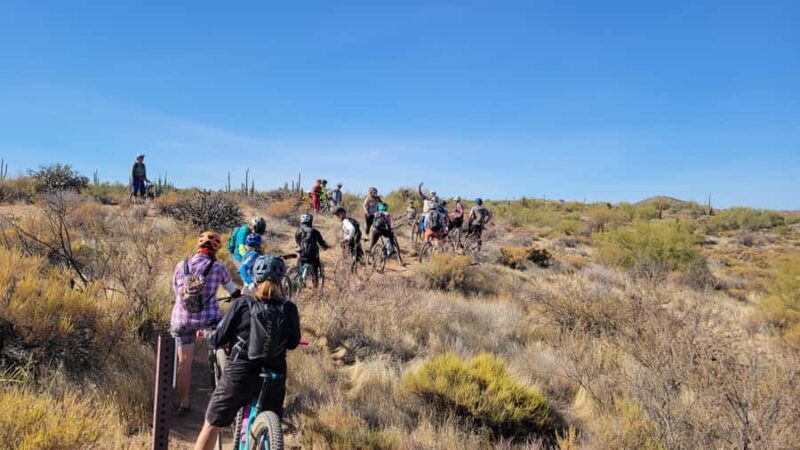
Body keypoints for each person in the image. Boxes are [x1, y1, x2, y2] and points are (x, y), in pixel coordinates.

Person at [193, 255, 301, 450]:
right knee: (270, 424)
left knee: (212, 424)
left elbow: (217, 339)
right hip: (274, 378)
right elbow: (293, 344)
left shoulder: (243, 304)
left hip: (240, 375)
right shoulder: (289, 308)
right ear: (281, 279)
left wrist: (209, 337)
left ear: (255, 278)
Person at [171, 231, 241, 416]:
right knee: (224, 342)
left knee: (184, 362)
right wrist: (236, 295)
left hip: (182, 319)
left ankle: (184, 404)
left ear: (198, 246)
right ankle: (225, 391)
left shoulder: (181, 265)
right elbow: (233, 290)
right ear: (216, 249)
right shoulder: (218, 267)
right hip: (208, 320)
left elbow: (176, 292)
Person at [295, 213, 329, 288]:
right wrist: (326, 247)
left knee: (299, 266)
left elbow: (297, 242)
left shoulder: (298, 231)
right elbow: (321, 242)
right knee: (315, 273)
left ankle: (298, 276)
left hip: (301, 255)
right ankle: (315, 289)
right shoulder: (314, 231)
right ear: (310, 221)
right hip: (312, 255)